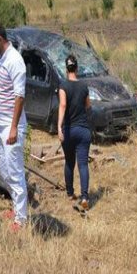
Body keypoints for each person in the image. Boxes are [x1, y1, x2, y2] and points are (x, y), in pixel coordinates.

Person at [0, 22, 28, 231]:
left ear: (0, 39)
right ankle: (15, 208)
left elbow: (20, 96)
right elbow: (10, 88)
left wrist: (13, 128)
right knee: (4, 169)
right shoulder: (3, 58)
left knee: (15, 171)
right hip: (1, 122)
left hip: (12, 125)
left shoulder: (15, 60)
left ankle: (21, 219)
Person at [57, 55, 91, 210]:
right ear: (77, 68)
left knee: (69, 162)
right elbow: (88, 106)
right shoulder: (84, 86)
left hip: (69, 131)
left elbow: (63, 105)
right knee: (83, 164)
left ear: (66, 69)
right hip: (83, 130)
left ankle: (70, 193)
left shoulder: (63, 86)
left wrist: (59, 126)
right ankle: (85, 197)